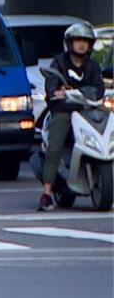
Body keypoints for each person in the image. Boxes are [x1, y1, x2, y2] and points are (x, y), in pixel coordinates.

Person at [38, 22, 104, 211]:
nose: (82, 45)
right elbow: (51, 84)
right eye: (78, 40)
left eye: (85, 41)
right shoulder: (58, 63)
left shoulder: (92, 66)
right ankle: (46, 193)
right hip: (64, 110)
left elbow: (99, 88)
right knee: (55, 146)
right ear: (70, 43)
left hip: (88, 111)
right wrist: (55, 92)